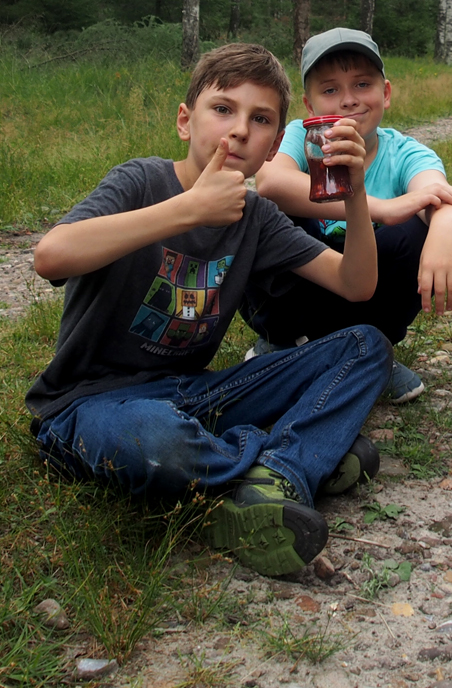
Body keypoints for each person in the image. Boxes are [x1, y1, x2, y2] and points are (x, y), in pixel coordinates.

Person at [25, 43, 392, 577]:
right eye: (223, 109)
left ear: (273, 148)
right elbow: (49, 256)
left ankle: (269, 476)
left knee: (365, 345)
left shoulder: (255, 217)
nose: (240, 128)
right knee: (158, 441)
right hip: (88, 404)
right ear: (185, 119)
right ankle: (285, 464)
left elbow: (355, 284)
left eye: (260, 119)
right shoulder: (142, 182)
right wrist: (185, 210)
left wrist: (354, 196)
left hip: (193, 395)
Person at [241, 27, 452, 403]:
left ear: (386, 93)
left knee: (415, 230)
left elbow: (438, 195)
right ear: (310, 106)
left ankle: (371, 348)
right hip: (298, 293)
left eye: (362, 84)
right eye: (330, 90)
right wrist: (379, 207)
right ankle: (282, 342)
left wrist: (446, 233)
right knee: (265, 214)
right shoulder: (301, 135)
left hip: (364, 295)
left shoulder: (406, 153)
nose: (348, 101)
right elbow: (269, 183)